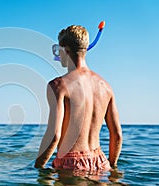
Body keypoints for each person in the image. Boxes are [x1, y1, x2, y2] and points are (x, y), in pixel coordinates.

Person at [35, 25, 122, 171]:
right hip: (101, 163)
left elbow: (54, 136)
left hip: (71, 164)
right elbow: (117, 135)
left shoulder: (58, 85)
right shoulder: (105, 86)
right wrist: (111, 167)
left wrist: (37, 168)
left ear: (65, 50)